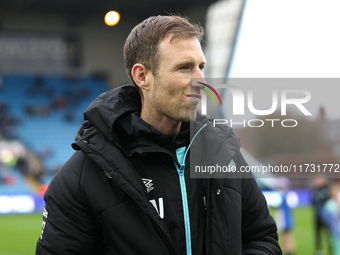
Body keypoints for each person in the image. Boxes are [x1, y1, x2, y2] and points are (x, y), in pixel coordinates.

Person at [36, 15, 281, 255]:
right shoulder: (82, 177)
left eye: (201, 67)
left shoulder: (224, 155)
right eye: (184, 68)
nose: (200, 80)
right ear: (142, 76)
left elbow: (262, 239)